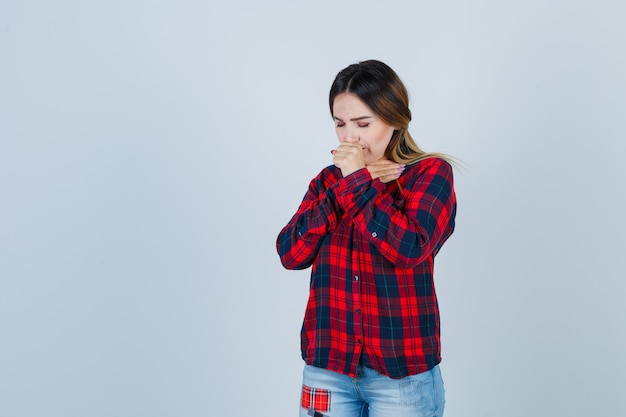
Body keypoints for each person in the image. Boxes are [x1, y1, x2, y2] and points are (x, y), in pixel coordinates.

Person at [276, 60, 457, 417]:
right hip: (327, 370)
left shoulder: (430, 174)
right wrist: (347, 186)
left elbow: (410, 248)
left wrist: (358, 181)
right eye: (340, 124)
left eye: (362, 124)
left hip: (401, 377)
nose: (349, 138)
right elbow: (290, 253)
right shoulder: (327, 182)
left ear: (394, 120)